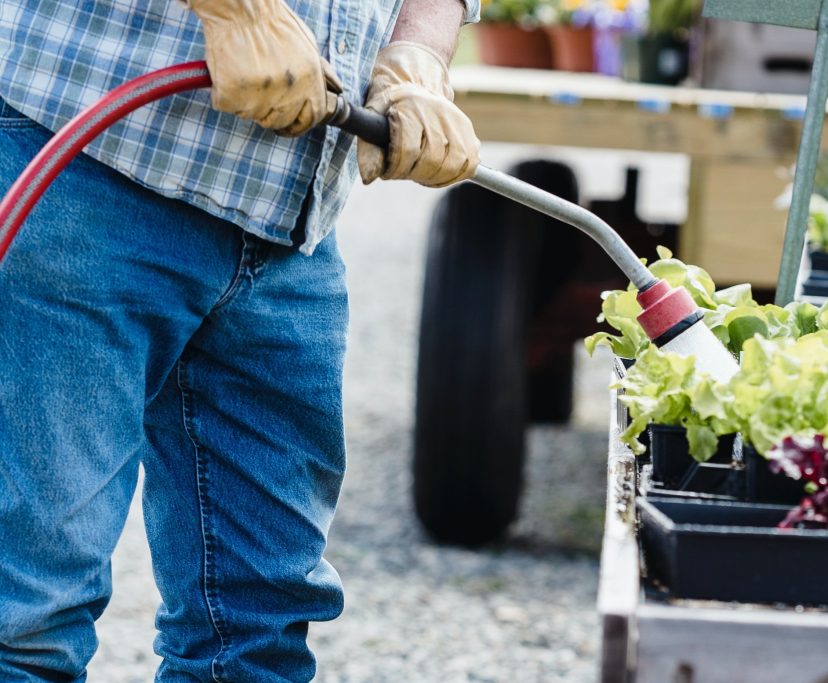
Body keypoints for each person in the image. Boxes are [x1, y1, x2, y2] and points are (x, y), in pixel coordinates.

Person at [0, 0, 481, 679]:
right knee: (24, 620)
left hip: (291, 222)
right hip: (89, 156)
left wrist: (418, 53)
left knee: (259, 635)